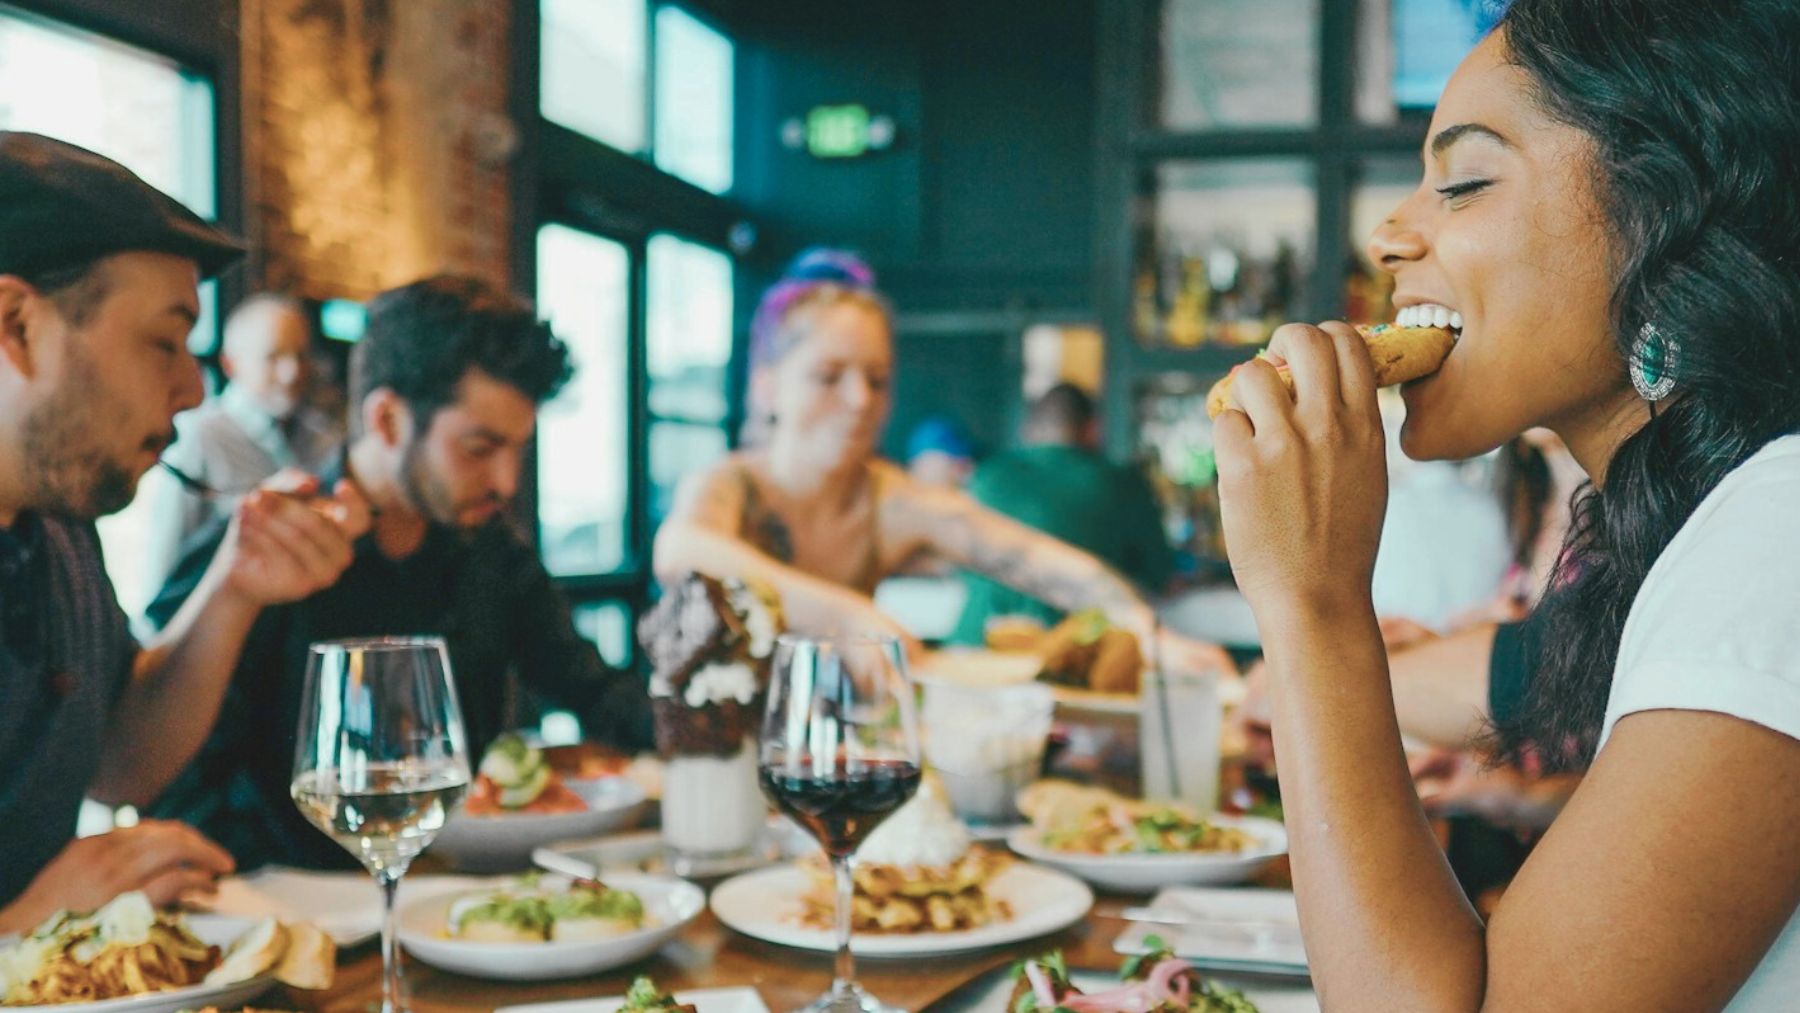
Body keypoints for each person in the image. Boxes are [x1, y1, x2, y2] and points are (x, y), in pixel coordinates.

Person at [1211, 1, 1800, 1006]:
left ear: (1667, 214)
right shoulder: (1695, 527)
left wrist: (1311, 605)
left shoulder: (1777, 531)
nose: (1389, 235)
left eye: (1465, 181)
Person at [146, 275, 655, 871]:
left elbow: (594, 690)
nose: (507, 482)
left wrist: (714, 715)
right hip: (294, 916)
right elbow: (168, 776)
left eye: (517, 450)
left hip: (455, 899)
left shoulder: (493, 553)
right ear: (387, 420)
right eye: (478, 449)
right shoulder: (262, 551)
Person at [0, 133, 367, 932]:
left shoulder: (55, 529)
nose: (194, 386)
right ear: (17, 323)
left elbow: (120, 759)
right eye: (165, 341)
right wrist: (28, 923)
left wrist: (236, 584)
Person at [657, 250, 1231, 674]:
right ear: (766, 388)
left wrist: (1151, 636)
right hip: (709, 766)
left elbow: (1039, 561)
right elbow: (682, 552)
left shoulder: (890, 500)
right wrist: (854, 618)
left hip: (828, 759)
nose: (861, 400)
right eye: (830, 377)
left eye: (877, 380)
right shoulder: (730, 484)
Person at [136, 293, 342, 607]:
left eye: (301, 356)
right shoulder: (201, 438)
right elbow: (165, 569)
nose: (292, 372)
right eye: (274, 357)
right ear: (231, 364)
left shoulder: (324, 437)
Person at [949, 382, 1175, 644]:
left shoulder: (985, 475)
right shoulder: (1122, 484)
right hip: (1071, 653)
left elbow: (958, 565)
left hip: (973, 646)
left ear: (1030, 428)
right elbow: (1161, 576)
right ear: (1093, 428)